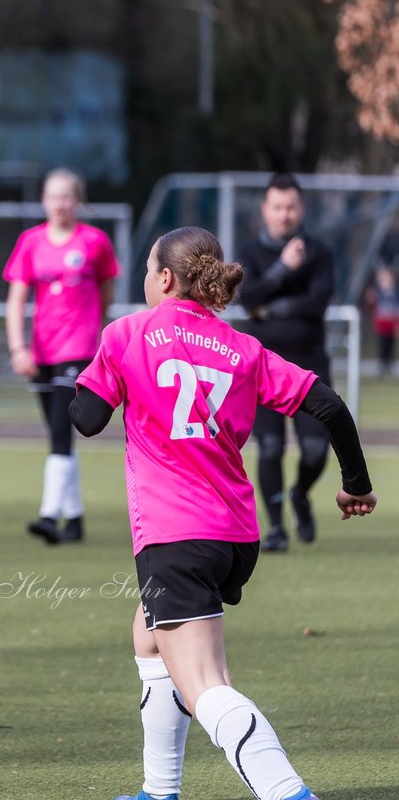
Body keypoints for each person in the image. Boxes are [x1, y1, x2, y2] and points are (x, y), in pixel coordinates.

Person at [70, 226, 375, 800]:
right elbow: (329, 406)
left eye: (147, 270)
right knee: (149, 636)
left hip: (175, 536)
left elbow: (86, 417)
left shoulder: (128, 334)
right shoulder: (242, 348)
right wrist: (354, 485)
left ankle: (288, 792)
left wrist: (90, 374)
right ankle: (158, 791)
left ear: (164, 278)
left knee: (207, 688)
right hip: (235, 536)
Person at [4, 168, 119, 545]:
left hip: (79, 350)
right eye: (53, 196)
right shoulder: (30, 242)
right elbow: (17, 299)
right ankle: (76, 520)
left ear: (78, 201)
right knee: (57, 433)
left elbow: (106, 291)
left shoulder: (95, 241)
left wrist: (94, 329)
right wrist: (18, 348)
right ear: (43, 200)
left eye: (67, 196)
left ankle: (49, 515)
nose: (59, 204)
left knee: (59, 429)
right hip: (42, 352)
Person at [236, 173, 335, 552]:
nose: (284, 214)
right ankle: (276, 527)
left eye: (291, 206)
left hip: (309, 365)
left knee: (314, 449)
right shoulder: (250, 252)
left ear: (301, 209)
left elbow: (318, 303)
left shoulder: (320, 253)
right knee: (271, 447)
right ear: (265, 209)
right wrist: (283, 270)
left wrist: (271, 307)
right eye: (277, 207)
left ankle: (301, 495)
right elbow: (247, 300)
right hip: (261, 367)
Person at [364, 263, 399, 375]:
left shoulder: (394, 293)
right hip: (382, 322)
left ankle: (389, 362)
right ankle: (383, 363)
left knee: (390, 343)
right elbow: (372, 305)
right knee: (382, 343)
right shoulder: (378, 293)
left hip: (391, 322)